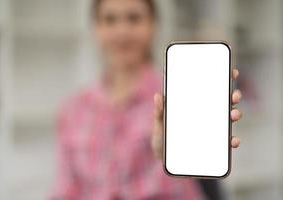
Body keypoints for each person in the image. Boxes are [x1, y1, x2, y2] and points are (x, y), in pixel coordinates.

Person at [50, 0, 242, 199]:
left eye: (134, 18)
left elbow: (203, 178)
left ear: (153, 25)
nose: (122, 31)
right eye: (110, 20)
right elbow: (65, 190)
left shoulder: (179, 95)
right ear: (95, 28)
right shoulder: (73, 110)